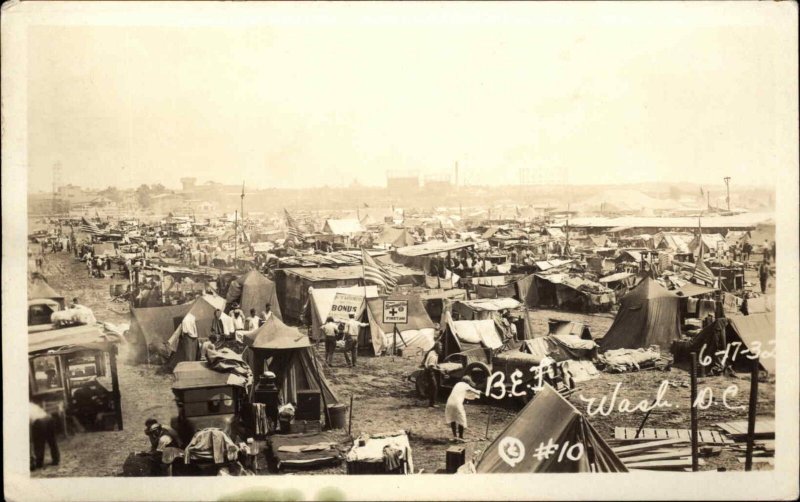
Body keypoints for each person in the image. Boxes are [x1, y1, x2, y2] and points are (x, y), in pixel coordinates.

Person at [445, 376, 481, 442]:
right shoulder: (466, 385)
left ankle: (455, 436)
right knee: (461, 418)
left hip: (449, 402)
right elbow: (472, 391)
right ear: (468, 382)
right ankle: (460, 437)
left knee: (453, 418)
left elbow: (465, 394)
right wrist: (479, 392)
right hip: (457, 403)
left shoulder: (457, 384)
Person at [30, 402, 59, 469]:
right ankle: (56, 459)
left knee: (38, 443)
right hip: (49, 418)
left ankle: (39, 463)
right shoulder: (32, 404)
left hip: (39, 421)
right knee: (52, 441)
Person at [422, 342, 441, 408]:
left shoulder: (432, 352)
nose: (441, 350)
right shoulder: (433, 356)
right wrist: (440, 370)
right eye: (440, 348)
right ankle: (432, 403)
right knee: (434, 387)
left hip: (428, 371)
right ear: (436, 348)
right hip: (430, 372)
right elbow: (431, 366)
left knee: (431, 386)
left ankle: (430, 401)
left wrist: (437, 365)